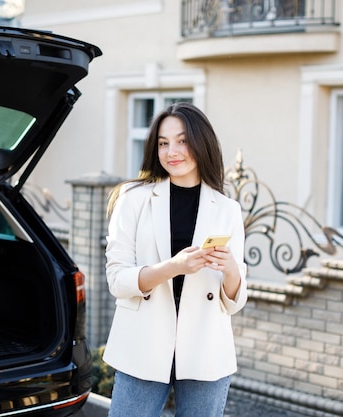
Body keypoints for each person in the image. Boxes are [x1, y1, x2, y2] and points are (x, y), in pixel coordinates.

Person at [103, 102, 248, 417]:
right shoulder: (133, 199)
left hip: (205, 348)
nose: (172, 151)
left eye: (182, 140)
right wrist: (173, 268)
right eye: (163, 143)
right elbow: (117, 280)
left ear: (201, 143)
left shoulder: (227, 209)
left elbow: (234, 302)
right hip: (143, 342)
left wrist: (231, 269)